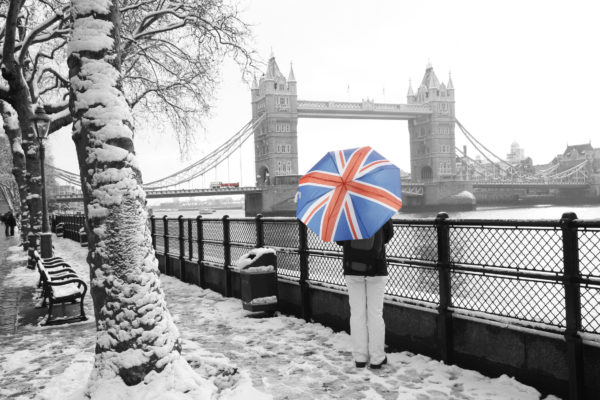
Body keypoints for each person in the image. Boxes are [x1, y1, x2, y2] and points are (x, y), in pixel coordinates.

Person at [337, 218, 394, 369]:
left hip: (352, 268)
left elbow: (339, 241)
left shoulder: (346, 211)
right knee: (375, 314)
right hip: (377, 267)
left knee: (357, 314)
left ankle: (360, 357)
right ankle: (377, 358)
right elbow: (388, 236)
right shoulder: (379, 209)